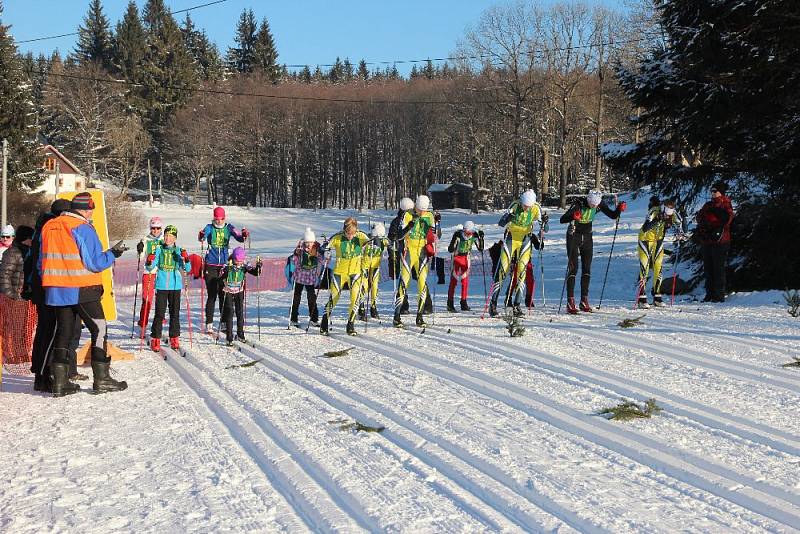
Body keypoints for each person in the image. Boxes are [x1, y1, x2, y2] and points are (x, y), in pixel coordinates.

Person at [39, 192, 128, 396]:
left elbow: (40, 261)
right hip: (82, 288)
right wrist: (113, 253)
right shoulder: (82, 228)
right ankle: (102, 379)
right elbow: (95, 262)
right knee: (100, 329)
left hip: (56, 289)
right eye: (90, 210)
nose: (91, 214)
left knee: (64, 331)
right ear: (85, 209)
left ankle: (60, 383)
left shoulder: (50, 226)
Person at [25, 199, 71, 391]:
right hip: (47, 286)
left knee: (44, 330)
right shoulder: (51, 229)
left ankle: (40, 373)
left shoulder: (42, 226)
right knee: (50, 331)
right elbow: (40, 262)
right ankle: (43, 375)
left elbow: (32, 259)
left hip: (39, 286)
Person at [559, 190, 625, 314]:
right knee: (573, 268)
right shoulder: (579, 204)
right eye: (592, 205)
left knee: (587, 269)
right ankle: (570, 301)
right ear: (588, 200)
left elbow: (612, 215)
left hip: (588, 238)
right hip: (574, 236)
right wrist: (573, 216)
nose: (594, 207)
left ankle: (584, 300)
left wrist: (618, 210)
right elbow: (562, 219)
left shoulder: (599, 203)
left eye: (596, 205)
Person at [489, 190, 547, 317]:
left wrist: (544, 223)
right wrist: (508, 217)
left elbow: (544, 228)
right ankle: (493, 304)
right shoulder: (515, 205)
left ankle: (517, 305)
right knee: (502, 271)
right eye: (525, 206)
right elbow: (501, 223)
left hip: (525, 240)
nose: (526, 208)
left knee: (522, 273)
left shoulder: (536, 208)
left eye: (528, 207)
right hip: (511, 239)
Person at [198, 207, 248, 334]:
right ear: (213, 218)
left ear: (224, 218)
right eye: (216, 219)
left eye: (221, 219)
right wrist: (202, 235)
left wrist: (244, 235)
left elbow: (239, 238)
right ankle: (209, 323)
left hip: (225, 265)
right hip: (211, 265)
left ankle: (224, 322)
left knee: (224, 294)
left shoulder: (229, 227)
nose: (218, 221)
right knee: (212, 295)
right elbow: (202, 237)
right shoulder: (209, 227)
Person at [319, 217, 369, 335]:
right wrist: (325, 251)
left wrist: (375, 243)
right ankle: (324, 322)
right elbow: (324, 247)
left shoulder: (361, 236)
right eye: (348, 233)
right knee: (334, 298)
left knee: (355, 298)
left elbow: (371, 242)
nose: (350, 236)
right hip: (339, 273)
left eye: (353, 233)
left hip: (355, 273)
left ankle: (350, 325)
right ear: (344, 230)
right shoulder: (337, 237)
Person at [145, 225, 191, 352]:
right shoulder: (159, 249)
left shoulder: (178, 250)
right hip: (161, 285)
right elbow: (150, 267)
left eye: (170, 236)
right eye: (166, 236)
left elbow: (187, 269)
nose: (167, 238)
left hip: (175, 286)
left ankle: (174, 337)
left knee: (174, 313)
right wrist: (149, 261)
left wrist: (186, 259)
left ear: (175, 238)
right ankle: (155, 338)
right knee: (159, 313)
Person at [393, 195, 436, 328]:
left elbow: (435, 235)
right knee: (404, 282)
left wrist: (436, 225)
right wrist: (409, 226)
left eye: (423, 210)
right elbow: (398, 235)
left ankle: (420, 316)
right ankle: (397, 316)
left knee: (422, 283)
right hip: (409, 251)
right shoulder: (407, 215)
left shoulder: (429, 215)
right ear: (415, 206)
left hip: (421, 252)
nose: (421, 212)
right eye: (419, 209)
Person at [637, 197, 684, 308]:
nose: (667, 217)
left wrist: (679, 234)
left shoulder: (673, 214)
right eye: (666, 214)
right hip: (645, 240)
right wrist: (657, 219)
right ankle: (641, 297)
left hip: (658, 241)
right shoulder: (654, 210)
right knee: (645, 266)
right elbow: (645, 227)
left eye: (669, 215)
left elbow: (680, 224)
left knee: (659, 267)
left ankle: (657, 296)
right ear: (662, 208)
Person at [696, 181, 734, 303]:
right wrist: (705, 228)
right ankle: (709, 294)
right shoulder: (708, 205)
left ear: (721, 192)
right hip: (707, 241)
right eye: (711, 191)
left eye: (714, 191)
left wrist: (714, 224)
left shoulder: (725, 204)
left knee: (718, 268)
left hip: (721, 241)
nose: (712, 193)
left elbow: (727, 220)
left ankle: (719, 294)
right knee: (708, 268)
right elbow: (699, 217)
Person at [220, 247, 261, 344]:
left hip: (239, 290)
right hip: (228, 290)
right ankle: (229, 336)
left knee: (239, 312)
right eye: (237, 261)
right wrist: (225, 272)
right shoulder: (228, 264)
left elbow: (255, 272)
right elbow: (221, 274)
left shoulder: (245, 265)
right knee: (229, 312)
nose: (239, 263)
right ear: (233, 258)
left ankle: (240, 334)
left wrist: (258, 267)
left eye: (241, 261)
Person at [446, 221, 484, 312]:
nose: (469, 234)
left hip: (466, 259)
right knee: (453, 281)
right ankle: (450, 303)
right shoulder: (458, 235)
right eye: (467, 232)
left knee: (465, 281)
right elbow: (450, 249)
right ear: (464, 230)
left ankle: (463, 302)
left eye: (470, 232)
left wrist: (481, 238)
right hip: (456, 258)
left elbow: (481, 248)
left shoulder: (474, 235)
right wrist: (454, 242)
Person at [135, 217, 164, 331]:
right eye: (153, 228)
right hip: (149, 272)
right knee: (147, 299)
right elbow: (140, 257)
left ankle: (159, 322)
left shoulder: (164, 239)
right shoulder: (145, 240)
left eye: (158, 228)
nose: (155, 230)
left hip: (162, 273)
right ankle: (143, 323)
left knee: (161, 299)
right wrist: (140, 250)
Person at [289, 228, 321, 328]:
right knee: (297, 297)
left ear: (314, 242)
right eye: (307, 242)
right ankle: (293, 318)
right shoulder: (300, 249)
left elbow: (322, 260)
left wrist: (327, 257)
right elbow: (294, 260)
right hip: (299, 276)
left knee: (312, 297)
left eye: (311, 242)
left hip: (310, 278)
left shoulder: (316, 250)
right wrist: (295, 254)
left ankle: (314, 318)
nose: (308, 244)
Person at [358, 222, 389, 321]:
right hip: (365, 266)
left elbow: (392, 244)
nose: (378, 239)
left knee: (374, 286)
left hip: (375, 266)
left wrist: (394, 247)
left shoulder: (383, 240)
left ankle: (373, 306)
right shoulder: (367, 238)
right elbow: (359, 245)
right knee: (364, 286)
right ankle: (361, 306)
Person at [388, 197, 414, 313]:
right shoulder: (397, 221)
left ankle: (406, 303)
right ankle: (403, 304)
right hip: (401, 252)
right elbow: (393, 237)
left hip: (412, 251)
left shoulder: (413, 219)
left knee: (407, 278)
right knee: (403, 278)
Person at [0, 225, 34, 299]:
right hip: (13, 296)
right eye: (31, 238)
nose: (32, 240)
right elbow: (4, 276)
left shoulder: (27, 251)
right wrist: (11, 295)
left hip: (22, 293)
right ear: (26, 238)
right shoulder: (13, 253)